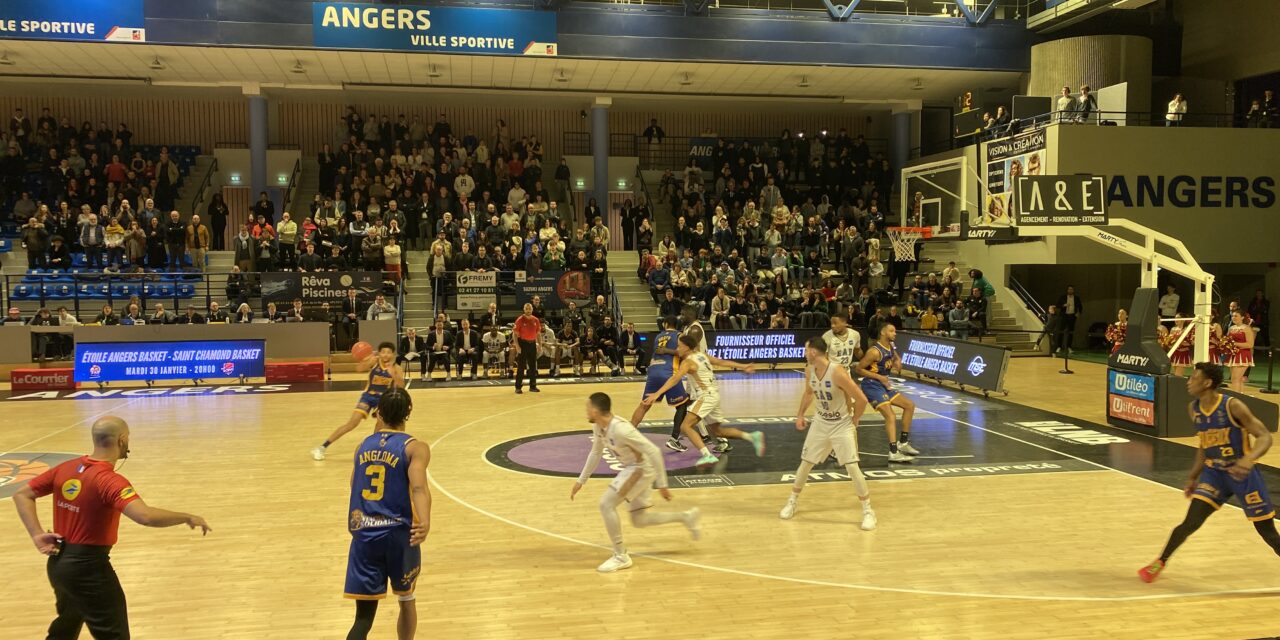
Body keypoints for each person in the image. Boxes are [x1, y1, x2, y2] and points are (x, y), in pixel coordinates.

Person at [12, 416, 211, 639]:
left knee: (65, 628)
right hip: (89, 569)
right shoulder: (109, 480)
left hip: (59, 563)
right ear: (122, 440)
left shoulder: (66, 468)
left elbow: (22, 494)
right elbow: (144, 516)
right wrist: (186, 517)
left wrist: (37, 534)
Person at [1138, 363, 1280, 583]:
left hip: (1242, 474)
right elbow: (1204, 445)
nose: (1188, 381)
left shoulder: (1233, 406)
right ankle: (1159, 562)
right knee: (1190, 522)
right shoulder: (1194, 409)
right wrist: (1193, 476)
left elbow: (1265, 437)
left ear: (1207, 383)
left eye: (1193, 378)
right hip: (1214, 473)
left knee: (1267, 532)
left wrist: (1247, 460)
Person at [572, 392, 701, 573]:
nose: (585, 412)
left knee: (606, 504)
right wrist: (581, 481)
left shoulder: (621, 429)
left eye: (587, 408)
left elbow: (654, 451)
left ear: (595, 411)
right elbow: (595, 453)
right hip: (632, 469)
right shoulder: (599, 427)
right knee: (639, 520)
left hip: (639, 469)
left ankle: (620, 556)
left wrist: (662, 484)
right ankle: (686, 517)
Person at [343, 389, 431, 640]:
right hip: (399, 535)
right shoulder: (415, 447)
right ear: (409, 412)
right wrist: (424, 522)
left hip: (364, 535)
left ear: (378, 412)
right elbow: (418, 487)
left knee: (362, 619)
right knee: (406, 598)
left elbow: (353, 485)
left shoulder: (362, 447)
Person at [780, 336, 875, 529]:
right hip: (821, 423)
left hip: (841, 424)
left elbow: (862, 399)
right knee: (805, 463)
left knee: (852, 467)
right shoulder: (809, 370)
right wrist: (800, 415)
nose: (804, 353)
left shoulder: (837, 372)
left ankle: (868, 511)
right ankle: (792, 501)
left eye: (806, 350)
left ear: (813, 352)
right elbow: (809, 393)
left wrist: (855, 419)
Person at [645, 334, 761, 467]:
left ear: (687, 347)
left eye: (679, 346)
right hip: (714, 395)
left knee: (685, 426)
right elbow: (721, 362)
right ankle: (752, 437)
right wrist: (743, 366)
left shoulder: (688, 362)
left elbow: (674, 379)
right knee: (717, 432)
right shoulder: (702, 355)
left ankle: (708, 456)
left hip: (706, 396)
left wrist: (657, 394)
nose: (677, 348)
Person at [312, 342, 405, 461]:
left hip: (383, 399)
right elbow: (359, 369)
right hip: (368, 396)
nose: (386, 355)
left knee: (381, 422)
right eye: (383, 352)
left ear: (393, 354)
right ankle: (322, 447)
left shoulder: (397, 368)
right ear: (379, 353)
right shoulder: (375, 362)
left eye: (388, 352)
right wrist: (366, 360)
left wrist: (395, 375)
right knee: (352, 423)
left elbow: (401, 386)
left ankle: (374, 448)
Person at [856, 323, 920, 462]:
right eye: (892, 331)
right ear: (883, 333)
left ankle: (903, 443)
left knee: (909, 406)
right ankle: (893, 452)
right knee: (890, 416)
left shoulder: (890, 346)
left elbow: (895, 356)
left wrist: (897, 361)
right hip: (872, 385)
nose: (895, 333)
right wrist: (880, 377)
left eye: (895, 331)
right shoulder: (874, 351)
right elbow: (859, 369)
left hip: (884, 384)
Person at [512, 303, 541, 394]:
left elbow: (538, 334)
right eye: (526, 309)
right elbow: (514, 334)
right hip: (522, 344)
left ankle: (533, 386)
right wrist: (517, 346)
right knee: (521, 367)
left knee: (532, 367)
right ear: (524, 309)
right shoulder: (520, 320)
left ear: (532, 309)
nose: (528, 310)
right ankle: (518, 387)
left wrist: (539, 345)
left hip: (532, 344)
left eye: (530, 309)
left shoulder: (536, 320)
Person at [1226, 311, 1256, 393]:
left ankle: (1235, 398)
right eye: (1232, 316)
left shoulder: (1247, 328)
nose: (1233, 318)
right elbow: (1227, 341)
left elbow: (1250, 344)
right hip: (1233, 354)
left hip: (1243, 355)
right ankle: (1240, 397)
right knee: (1236, 379)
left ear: (1242, 317)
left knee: (1236, 379)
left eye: (1236, 316)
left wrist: (1234, 344)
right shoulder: (1231, 328)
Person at [1057, 285, 1083, 353]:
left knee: (1071, 332)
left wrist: (1078, 313)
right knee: (1061, 331)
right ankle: (1059, 346)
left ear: (1073, 290)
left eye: (1071, 289)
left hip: (1072, 316)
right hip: (1064, 316)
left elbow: (1080, 306)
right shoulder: (1063, 297)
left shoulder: (1076, 298)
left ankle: (1069, 347)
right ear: (1067, 290)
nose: (1070, 290)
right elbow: (1057, 305)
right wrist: (1063, 305)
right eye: (1069, 289)